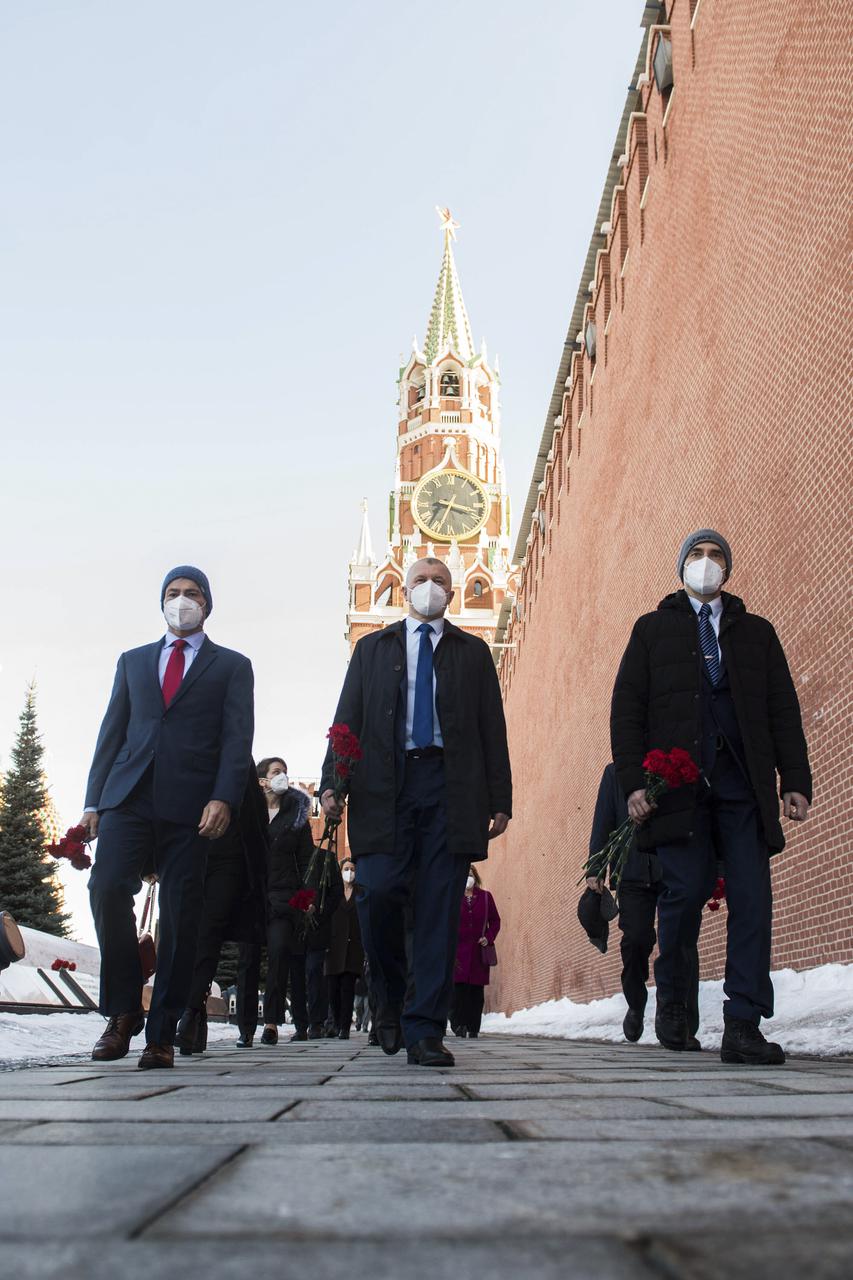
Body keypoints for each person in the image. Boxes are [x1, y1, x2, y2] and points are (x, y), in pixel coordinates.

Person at [611, 529, 812, 1065]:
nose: (706, 563)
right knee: (683, 893)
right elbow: (627, 709)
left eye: (715, 555)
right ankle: (674, 1006)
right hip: (676, 788)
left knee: (752, 897)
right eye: (696, 555)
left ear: (728, 568)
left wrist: (794, 778)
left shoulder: (757, 634)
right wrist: (633, 782)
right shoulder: (652, 631)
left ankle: (743, 1022)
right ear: (681, 568)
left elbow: (782, 710)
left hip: (742, 782)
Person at [320, 557, 512, 1068]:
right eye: (421, 581)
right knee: (378, 892)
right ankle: (388, 994)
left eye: (440, 582)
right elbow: (347, 723)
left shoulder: (472, 653)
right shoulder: (373, 650)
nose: (430, 589)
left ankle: (426, 1028)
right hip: (385, 786)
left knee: (437, 910)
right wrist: (332, 785)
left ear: (451, 595)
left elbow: (492, 727)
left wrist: (500, 798)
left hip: (450, 786)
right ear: (405, 590)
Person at [81, 566, 254, 1069]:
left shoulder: (231, 666)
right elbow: (110, 733)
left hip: (192, 806)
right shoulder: (133, 662)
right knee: (107, 887)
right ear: (162, 602)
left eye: (192, 594)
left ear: (208, 604)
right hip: (128, 797)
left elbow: (236, 739)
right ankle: (121, 1012)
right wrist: (94, 802)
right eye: (174, 594)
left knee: (181, 913)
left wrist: (223, 797)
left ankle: (161, 1032)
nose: (182, 601)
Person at [587, 763, 700, 1048]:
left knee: (681, 939)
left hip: (672, 865)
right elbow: (604, 820)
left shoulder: (672, 763)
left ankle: (683, 1022)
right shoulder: (616, 774)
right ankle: (635, 1002)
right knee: (636, 939)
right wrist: (596, 867)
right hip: (632, 871)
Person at [176, 765, 268, 1055]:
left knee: (209, 930)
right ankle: (194, 1011)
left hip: (228, 856)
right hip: (187, 848)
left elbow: (256, 819)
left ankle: (191, 1011)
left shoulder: (238, 752)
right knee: (185, 929)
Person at [255, 757, 319, 1044]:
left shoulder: (296, 817)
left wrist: (306, 899)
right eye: (276, 772)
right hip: (254, 895)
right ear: (262, 780)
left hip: (285, 897)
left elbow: (308, 861)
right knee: (249, 959)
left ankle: (271, 1022)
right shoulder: (250, 814)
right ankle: (246, 1025)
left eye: (285, 772)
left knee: (281, 952)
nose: (283, 777)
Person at [450, 865, 500, 1039]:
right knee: (458, 992)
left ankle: (473, 1027)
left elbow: (495, 920)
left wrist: (489, 936)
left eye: (470, 875)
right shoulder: (452, 896)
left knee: (476, 992)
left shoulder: (486, 897)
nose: (468, 878)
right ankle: (458, 1025)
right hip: (457, 953)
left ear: (476, 877)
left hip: (478, 952)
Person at [325, 858, 365, 1038]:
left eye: (352, 869)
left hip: (353, 947)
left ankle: (344, 1027)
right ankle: (334, 1022)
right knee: (333, 989)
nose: (349, 872)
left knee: (347, 988)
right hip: (333, 947)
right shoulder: (333, 893)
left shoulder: (360, 892)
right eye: (346, 869)